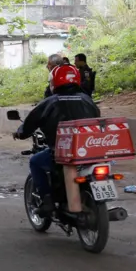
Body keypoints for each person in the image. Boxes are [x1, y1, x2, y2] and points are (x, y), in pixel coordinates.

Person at [14, 64, 100, 217]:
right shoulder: (88, 100)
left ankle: (47, 201)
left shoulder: (49, 102)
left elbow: (29, 124)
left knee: (35, 161)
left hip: (63, 152)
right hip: (91, 151)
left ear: (54, 82)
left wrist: (20, 133)